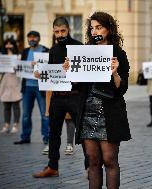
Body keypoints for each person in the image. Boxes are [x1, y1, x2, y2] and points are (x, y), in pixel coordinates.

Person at [64, 11, 131, 188]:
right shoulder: (85, 51)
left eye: (98, 27)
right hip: (87, 112)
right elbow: (76, 84)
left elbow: (122, 88)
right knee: (92, 161)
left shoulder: (118, 53)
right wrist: (70, 71)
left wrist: (115, 73)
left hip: (109, 112)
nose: (94, 31)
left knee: (110, 160)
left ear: (108, 29)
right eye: (92, 28)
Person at [32, 17, 89, 178]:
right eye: (57, 31)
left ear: (68, 29)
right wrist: (41, 75)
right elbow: (52, 75)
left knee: (82, 133)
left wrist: (73, 70)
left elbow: (87, 73)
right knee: (53, 133)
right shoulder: (54, 50)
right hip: (57, 97)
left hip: (76, 96)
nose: (60, 34)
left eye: (62, 30)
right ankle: (52, 166)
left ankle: (89, 168)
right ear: (53, 31)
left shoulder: (79, 47)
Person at [14, 31, 49, 145]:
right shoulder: (25, 51)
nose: (32, 39)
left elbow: (50, 66)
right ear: (27, 39)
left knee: (44, 114)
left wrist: (39, 65)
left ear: (38, 38)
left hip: (41, 87)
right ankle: (25, 137)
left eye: (34, 37)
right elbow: (20, 67)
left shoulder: (45, 50)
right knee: (26, 114)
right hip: (27, 87)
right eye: (30, 37)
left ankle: (46, 137)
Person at [0, 38, 21, 134]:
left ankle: (16, 124)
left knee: (16, 104)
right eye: (7, 44)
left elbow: (20, 69)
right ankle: (6, 125)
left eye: (10, 44)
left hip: (15, 81)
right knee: (6, 105)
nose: (8, 46)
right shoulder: (1, 56)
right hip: (5, 82)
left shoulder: (18, 56)